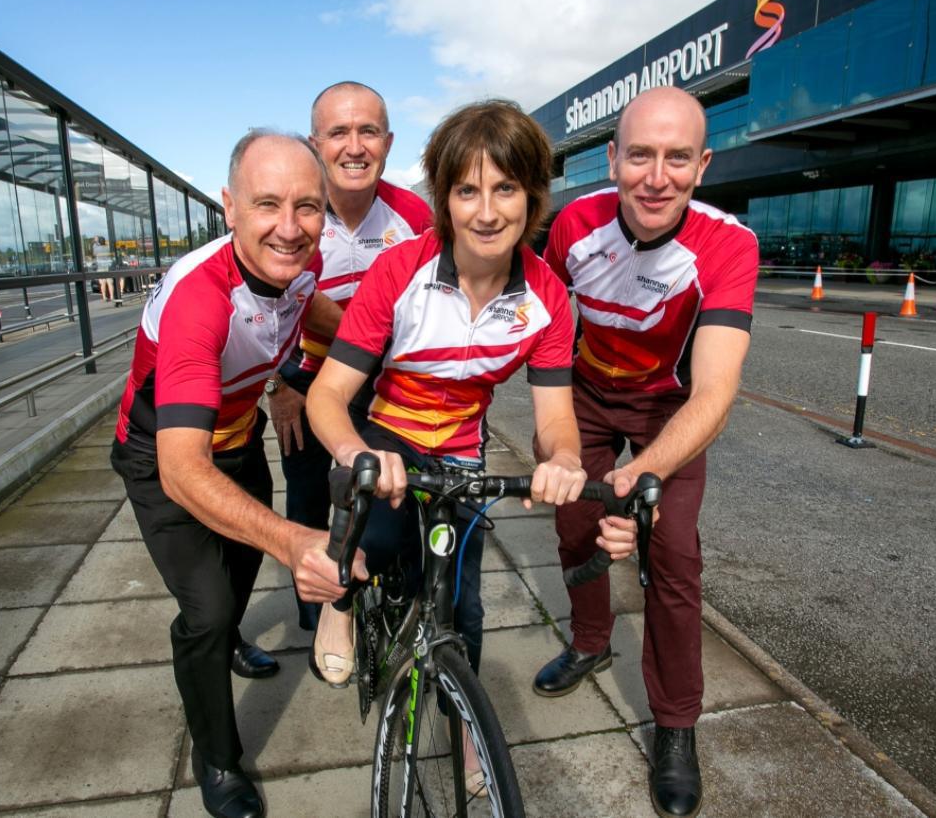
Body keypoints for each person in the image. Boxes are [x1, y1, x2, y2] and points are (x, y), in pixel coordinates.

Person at [306, 99, 638, 796]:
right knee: (373, 533)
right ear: (444, 200)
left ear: (533, 197)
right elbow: (328, 397)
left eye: (505, 189)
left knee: (465, 611)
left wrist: (565, 462)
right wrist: (353, 453)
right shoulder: (398, 272)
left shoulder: (546, 296)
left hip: (459, 447)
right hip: (388, 427)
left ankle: (464, 733)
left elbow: (555, 421)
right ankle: (340, 601)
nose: (486, 212)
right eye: (467, 191)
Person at [109, 130, 362, 818]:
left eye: (307, 207)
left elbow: (320, 315)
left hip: (239, 440)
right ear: (228, 207)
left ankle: (232, 640)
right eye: (267, 205)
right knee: (208, 608)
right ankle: (217, 757)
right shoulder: (201, 298)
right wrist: (293, 542)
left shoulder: (298, 268)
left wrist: (388, 357)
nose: (289, 228)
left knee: (240, 571)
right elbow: (182, 470)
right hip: (162, 454)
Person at [537, 86, 759, 818]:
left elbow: (715, 392)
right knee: (573, 522)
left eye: (674, 158)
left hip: (671, 406)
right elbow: (538, 328)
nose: (654, 177)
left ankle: (674, 722)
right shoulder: (573, 222)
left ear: (702, 165)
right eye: (638, 155)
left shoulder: (728, 243)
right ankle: (590, 641)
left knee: (673, 557)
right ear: (611, 159)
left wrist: (637, 478)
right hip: (589, 395)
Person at [266, 82, 432, 632]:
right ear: (316, 143)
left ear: (388, 141)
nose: (354, 146)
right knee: (312, 500)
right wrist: (281, 384)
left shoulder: (415, 214)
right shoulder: (297, 215)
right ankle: (318, 621)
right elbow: (267, 305)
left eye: (367, 131)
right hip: (309, 380)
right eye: (338, 132)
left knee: (391, 503)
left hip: (389, 388)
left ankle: (389, 609)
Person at [91, 236, 116, 301]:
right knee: (110, 283)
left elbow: (94, 251)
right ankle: (112, 296)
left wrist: (95, 242)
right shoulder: (108, 248)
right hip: (108, 267)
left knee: (102, 283)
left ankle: (104, 297)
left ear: (99, 242)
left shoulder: (97, 249)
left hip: (100, 267)